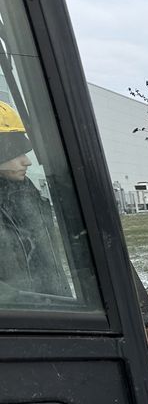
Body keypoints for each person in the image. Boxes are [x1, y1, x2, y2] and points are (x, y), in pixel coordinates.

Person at [0, 101, 71, 301]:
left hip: (49, 309)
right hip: (21, 322)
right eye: (15, 151)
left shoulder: (27, 195)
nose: (27, 161)